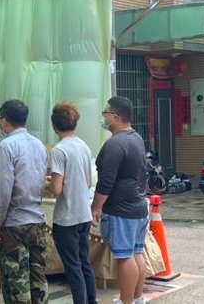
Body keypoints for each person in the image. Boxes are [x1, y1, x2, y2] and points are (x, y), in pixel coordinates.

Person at [90, 96, 149, 304]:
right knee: (136, 253)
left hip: (121, 209)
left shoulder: (115, 143)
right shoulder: (136, 138)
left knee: (125, 257)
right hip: (138, 206)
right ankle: (137, 298)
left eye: (105, 113)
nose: (103, 117)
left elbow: (106, 181)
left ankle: (126, 301)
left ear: (116, 117)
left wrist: (96, 207)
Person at [0, 99, 48, 304]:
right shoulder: (39, 145)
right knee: (38, 276)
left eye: (0, 119)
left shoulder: (6, 146)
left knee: (16, 280)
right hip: (37, 219)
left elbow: (4, 190)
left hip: (14, 223)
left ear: (5, 120)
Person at [48, 102, 97, 304]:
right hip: (84, 213)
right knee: (84, 262)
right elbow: (88, 182)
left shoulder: (59, 150)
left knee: (72, 267)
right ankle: (92, 300)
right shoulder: (83, 146)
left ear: (54, 126)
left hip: (66, 217)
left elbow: (56, 189)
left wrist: (47, 182)